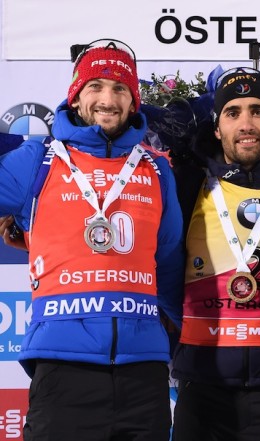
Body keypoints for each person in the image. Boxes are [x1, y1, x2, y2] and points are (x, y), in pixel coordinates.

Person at [0, 38, 184, 440]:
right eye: (96, 86)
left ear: (134, 101)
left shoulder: (156, 170)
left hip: (144, 373)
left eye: (120, 88)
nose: (108, 98)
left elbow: (169, 264)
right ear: (76, 96)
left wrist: (191, 339)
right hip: (64, 370)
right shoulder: (39, 160)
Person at [170, 67, 260, 441]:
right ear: (216, 127)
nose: (246, 123)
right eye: (233, 112)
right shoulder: (187, 184)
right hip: (203, 388)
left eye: (258, 111)